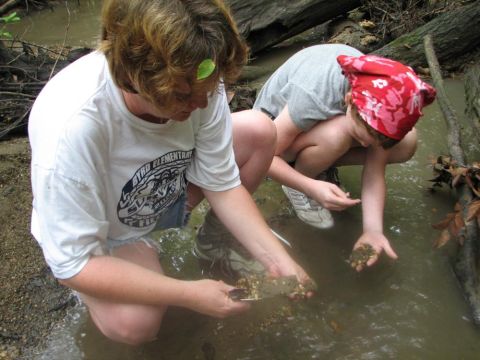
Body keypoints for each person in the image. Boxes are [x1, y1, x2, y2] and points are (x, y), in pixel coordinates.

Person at [28, 0, 311, 345]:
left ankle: (212, 243)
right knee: (136, 324)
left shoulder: (198, 76)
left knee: (258, 132)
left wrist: (278, 259)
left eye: (209, 89)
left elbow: (222, 184)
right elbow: (74, 264)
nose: (203, 104)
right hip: (107, 232)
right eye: (183, 96)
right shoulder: (73, 129)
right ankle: (118, 274)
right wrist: (189, 293)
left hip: (159, 190)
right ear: (133, 78)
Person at [246, 44, 436, 271]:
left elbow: (375, 172)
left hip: (317, 127)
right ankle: (299, 181)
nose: (364, 147)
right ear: (348, 99)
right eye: (361, 138)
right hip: (273, 134)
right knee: (337, 136)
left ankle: (320, 164)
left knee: (407, 143)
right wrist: (309, 186)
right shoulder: (313, 95)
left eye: (369, 143)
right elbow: (265, 157)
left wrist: (372, 230)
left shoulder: (383, 107)